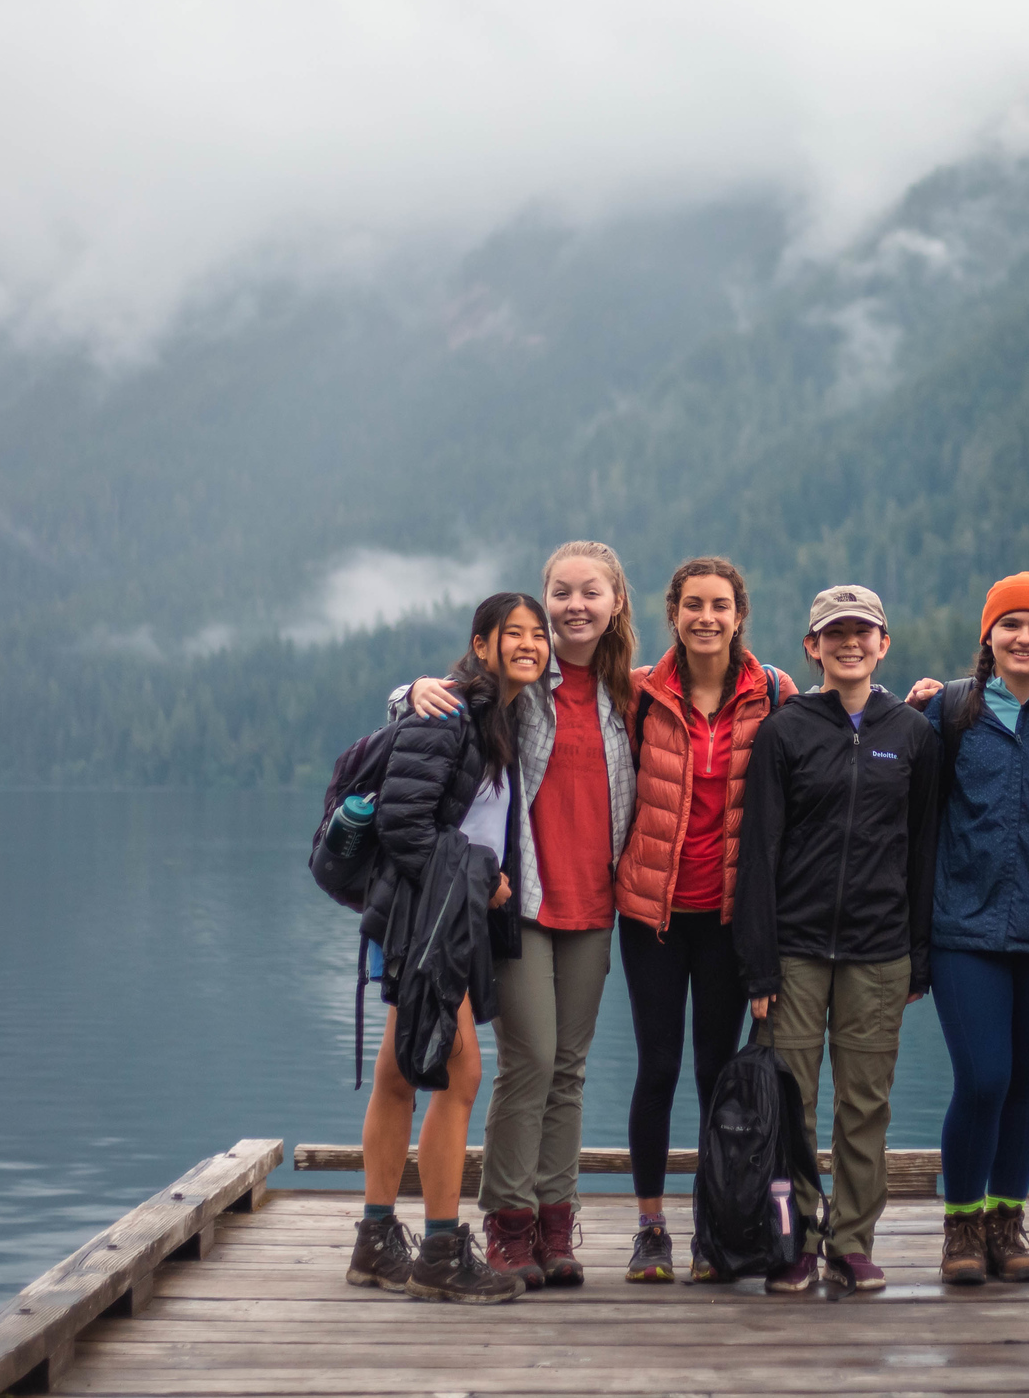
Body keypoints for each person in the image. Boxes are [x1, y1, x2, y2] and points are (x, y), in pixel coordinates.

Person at [401, 544, 639, 1289]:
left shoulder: (629, 692)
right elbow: (443, 698)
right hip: (525, 902)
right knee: (530, 1060)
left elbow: (730, 681)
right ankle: (506, 1223)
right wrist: (410, 689)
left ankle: (555, 1218)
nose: (573, 605)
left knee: (569, 1069)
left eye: (589, 591)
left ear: (614, 602)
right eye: (560, 592)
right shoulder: (520, 684)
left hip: (597, 903)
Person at [735, 585, 941, 1294]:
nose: (849, 642)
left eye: (863, 631)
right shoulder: (784, 730)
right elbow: (757, 853)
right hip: (791, 951)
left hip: (879, 951)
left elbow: (924, 851)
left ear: (883, 642)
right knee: (788, 1107)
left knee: (865, 1104)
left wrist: (921, 952)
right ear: (811, 647)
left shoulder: (912, 734)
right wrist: (757, 964)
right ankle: (793, 1240)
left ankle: (851, 1240)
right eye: (834, 632)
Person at [345, 592, 548, 1306]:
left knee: (401, 1072)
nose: (527, 643)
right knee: (459, 1074)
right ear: (482, 643)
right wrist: (484, 877)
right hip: (422, 921)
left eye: (536, 635)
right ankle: (438, 1249)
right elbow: (404, 826)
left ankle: (375, 1240)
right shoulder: (450, 711)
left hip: (432, 918)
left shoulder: (502, 712)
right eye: (512, 633)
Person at [612, 556, 794, 1283]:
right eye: (693, 604)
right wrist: (413, 692)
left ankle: (714, 1227)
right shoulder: (639, 695)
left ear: (740, 613)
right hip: (651, 913)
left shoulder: (773, 694)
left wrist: (927, 696)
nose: (706, 617)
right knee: (657, 1067)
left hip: (726, 919)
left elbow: (845, 710)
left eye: (720, 604)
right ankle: (651, 1228)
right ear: (674, 613)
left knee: (718, 1075)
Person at [917, 572, 1029, 1286]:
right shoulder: (951, 712)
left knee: (1026, 1081)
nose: (1025, 637)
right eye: (1010, 623)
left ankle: (1006, 1218)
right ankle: (961, 1222)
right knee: (984, 1076)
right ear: (988, 634)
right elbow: (903, 799)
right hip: (964, 925)